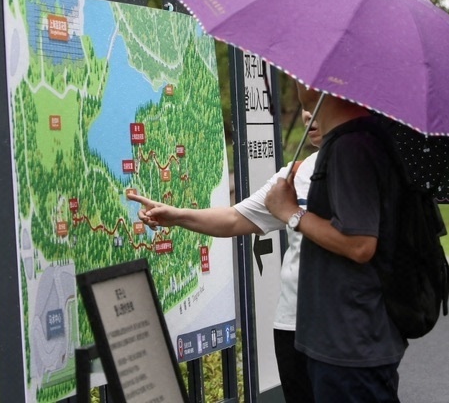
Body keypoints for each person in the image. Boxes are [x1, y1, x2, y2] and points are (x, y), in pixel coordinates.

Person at [127, 109, 321, 403]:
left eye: (319, 103)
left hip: (345, 328)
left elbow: (361, 246)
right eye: (306, 104)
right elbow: (234, 219)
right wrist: (175, 216)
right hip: (292, 324)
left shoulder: (364, 168)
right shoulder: (295, 174)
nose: (308, 115)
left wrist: (291, 214)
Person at [265, 85, 407, 403]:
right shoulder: (358, 142)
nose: (297, 82)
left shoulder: (351, 146)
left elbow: (360, 244)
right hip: (350, 337)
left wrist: (291, 213)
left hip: (350, 343)